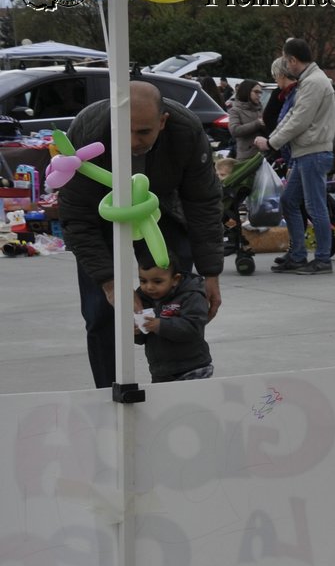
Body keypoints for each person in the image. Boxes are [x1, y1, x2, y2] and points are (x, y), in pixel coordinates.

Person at [58, 80, 223, 389]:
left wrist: (210, 272)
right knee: (101, 313)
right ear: (113, 121)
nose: (134, 141)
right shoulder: (88, 130)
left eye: (144, 132)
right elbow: (75, 217)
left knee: (178, 306)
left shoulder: (186, 130)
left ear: (163, 122)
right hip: (101, 212)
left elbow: (203, 203)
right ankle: (109, 394)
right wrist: (109, 283)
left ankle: (178, 383)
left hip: (161, 211)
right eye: (126, 131)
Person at [254, 38, 335, 276]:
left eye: (286, 61)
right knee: (289, 202)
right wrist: (273, 139)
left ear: (292, 60)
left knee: (315, 206)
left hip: (313, 151)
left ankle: (322, 259)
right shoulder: (309, 81)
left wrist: (271, 142)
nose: (285, 67)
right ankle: (298, 254)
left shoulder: (313, 82)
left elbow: (299, 120)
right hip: (306, 152)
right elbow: (292, 116)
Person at [133, 251, 214, 383]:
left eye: (157, 281)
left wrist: (160, 325)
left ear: (175, 280)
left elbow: (193, 328)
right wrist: (136, 332)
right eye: (143, 281)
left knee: (192, 403)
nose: (149, 287)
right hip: (161, 371)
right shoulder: (142, 298)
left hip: (193, 367)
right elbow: (143, 339)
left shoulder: (191, 295)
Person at [228, 80, 265, 161]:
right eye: (256, 92)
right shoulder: (236, 110)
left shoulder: (260, 108)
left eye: (260, 93)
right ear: (246, 91)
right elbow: (235, 130)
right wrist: (257, 123)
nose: (259, 95)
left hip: (263, 155)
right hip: (246, 157)